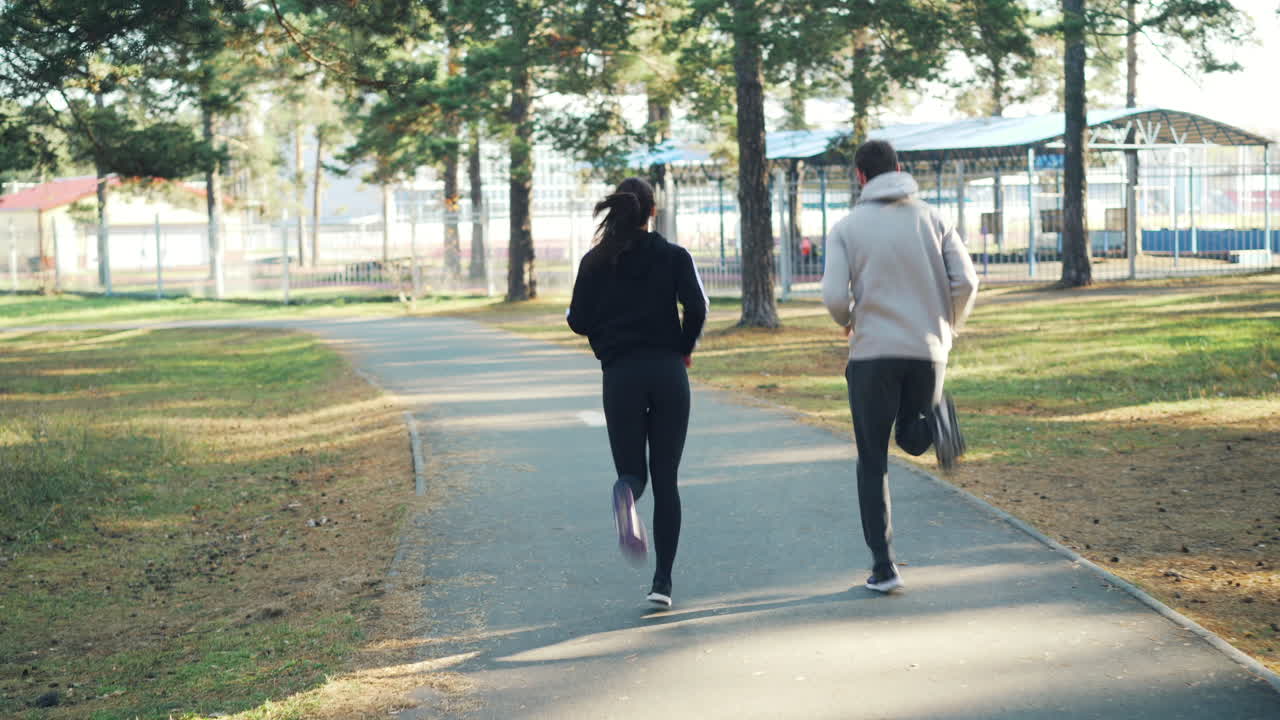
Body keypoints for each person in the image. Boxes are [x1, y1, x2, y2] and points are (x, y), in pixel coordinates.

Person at [821, 140, 979, 594]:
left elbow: (834, 296)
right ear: (900, 168)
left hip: (872, 354)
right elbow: (966, 280)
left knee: (873, 460)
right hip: (928, 349)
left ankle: (884, 567)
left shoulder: (847, 227)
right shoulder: (935, 218)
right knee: (912, 436)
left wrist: (849, 320)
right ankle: (940, 418)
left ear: (859, 176)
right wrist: (947, 323)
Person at [567, 177, 708, 608]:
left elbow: (577, 320)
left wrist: (606, 337)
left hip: (621, 375)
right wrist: (683, 349)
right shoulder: (674, 256)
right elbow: (698, 307)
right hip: (667, 372)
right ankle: (662, 583)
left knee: (633, 473)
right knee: (667, 479)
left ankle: (625, 494)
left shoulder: (595, 261)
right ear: (652, 212)